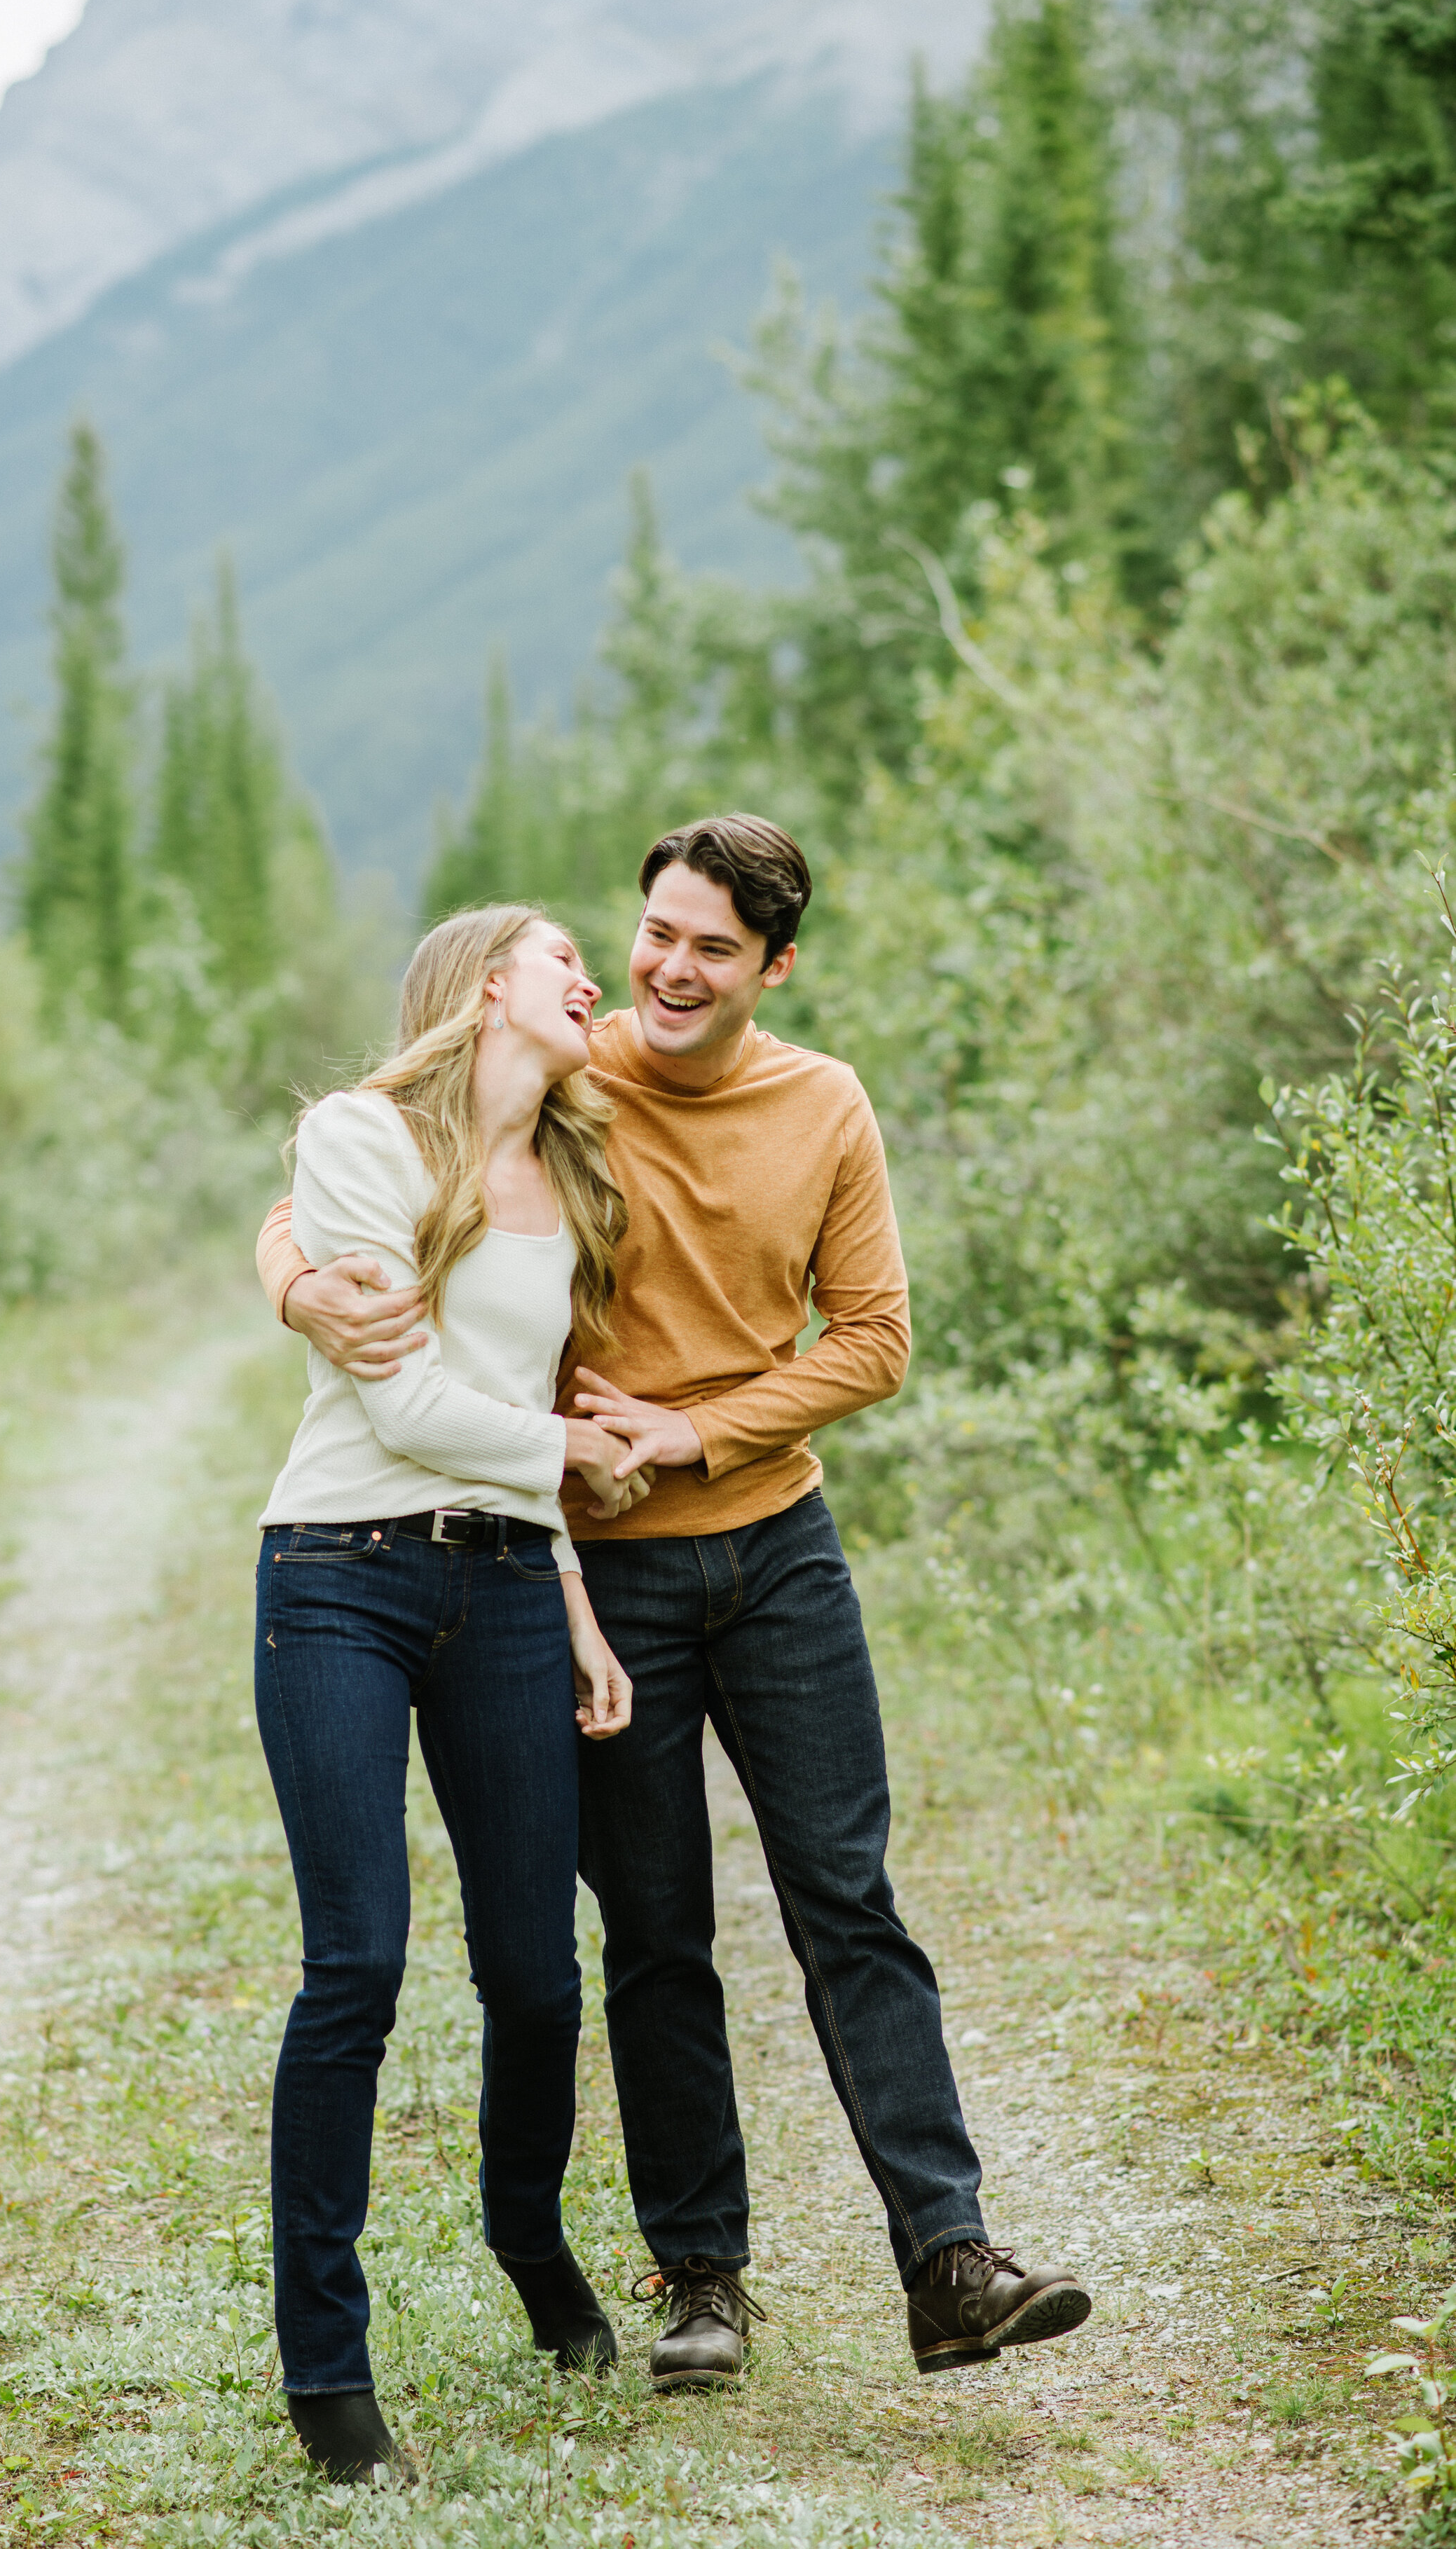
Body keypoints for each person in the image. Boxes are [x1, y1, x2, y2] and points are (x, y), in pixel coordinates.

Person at [261, 816, 1092, 2386]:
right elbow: (367, 1153)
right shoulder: (576, 1075)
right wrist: (294, 1276)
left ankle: (949, 2257)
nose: (667, 968)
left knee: (847, 1899)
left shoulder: (821, 1102)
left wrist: (699, 1427)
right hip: (597, 1567)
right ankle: (699, 2276)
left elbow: (874, 1339)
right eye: (654, 932)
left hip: (776, 1546)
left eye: (712, 945)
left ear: (773, 963)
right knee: (649, 1932)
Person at [254, 903, 649, 2485]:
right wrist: (570, 1454)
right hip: (337, 1571)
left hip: (500, 1584)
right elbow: (404, 1397)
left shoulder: (567, 1175)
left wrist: (564, 1589)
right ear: (492, 983)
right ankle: (325, 2370)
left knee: (537, 1972)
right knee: (354, 1962)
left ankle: (527, 2236)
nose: (593, 978)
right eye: (567, 956)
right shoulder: (357, 1139)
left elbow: (506, 1396)